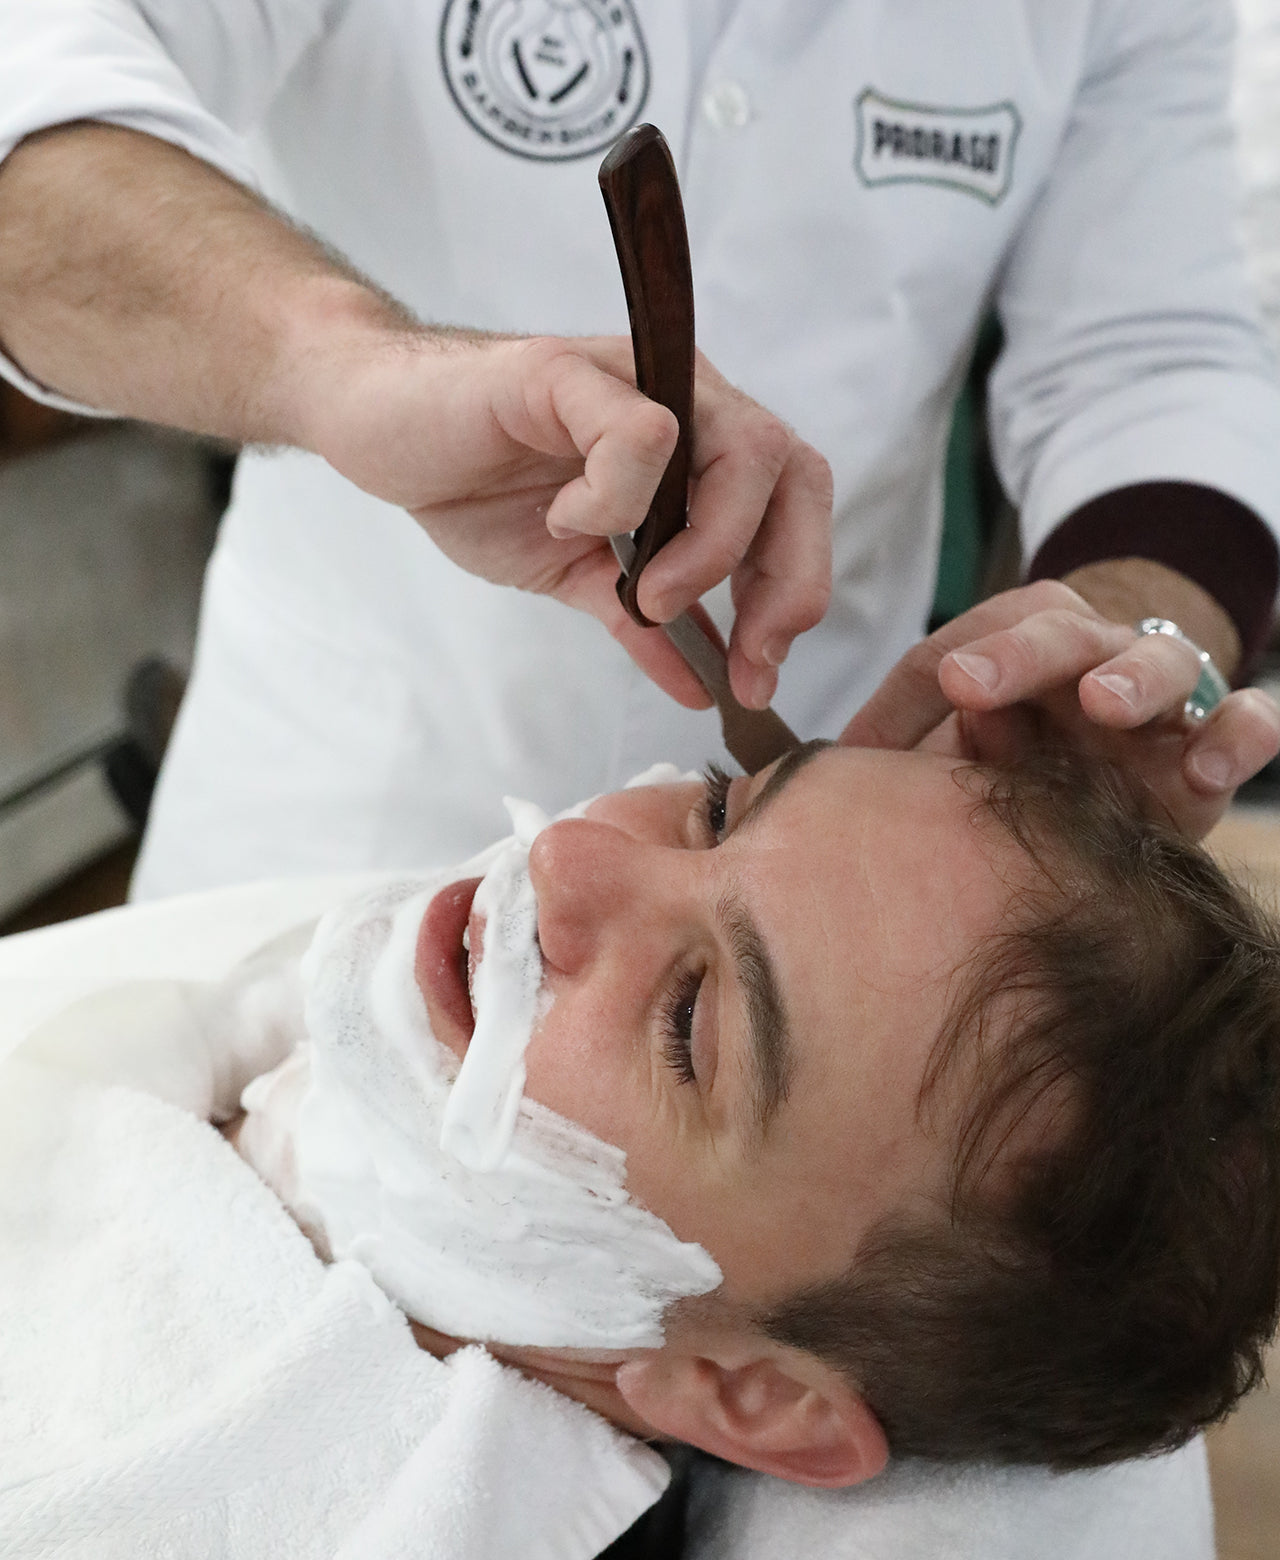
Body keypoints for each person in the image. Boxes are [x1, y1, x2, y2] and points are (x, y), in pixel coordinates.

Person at [1, 0, 1280, 901]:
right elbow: (31, 93)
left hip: (817, 840)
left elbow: (1156, 352)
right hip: (329, 824)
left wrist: (1119, 638)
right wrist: (347, 368)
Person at [5, 742, 1277, 1555]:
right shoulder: (272, 1013)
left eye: (688, 1020)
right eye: (718, 809)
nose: (567, 858)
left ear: (752, 1396)